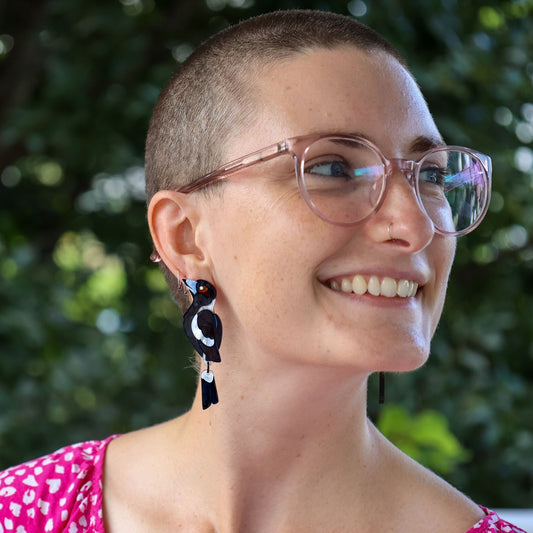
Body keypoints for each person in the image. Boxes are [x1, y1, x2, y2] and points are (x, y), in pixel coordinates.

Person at [0, 9, 526, 533]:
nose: (414, 225)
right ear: (186, 237)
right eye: (333, 168)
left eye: (430, 176)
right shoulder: (25, 513)